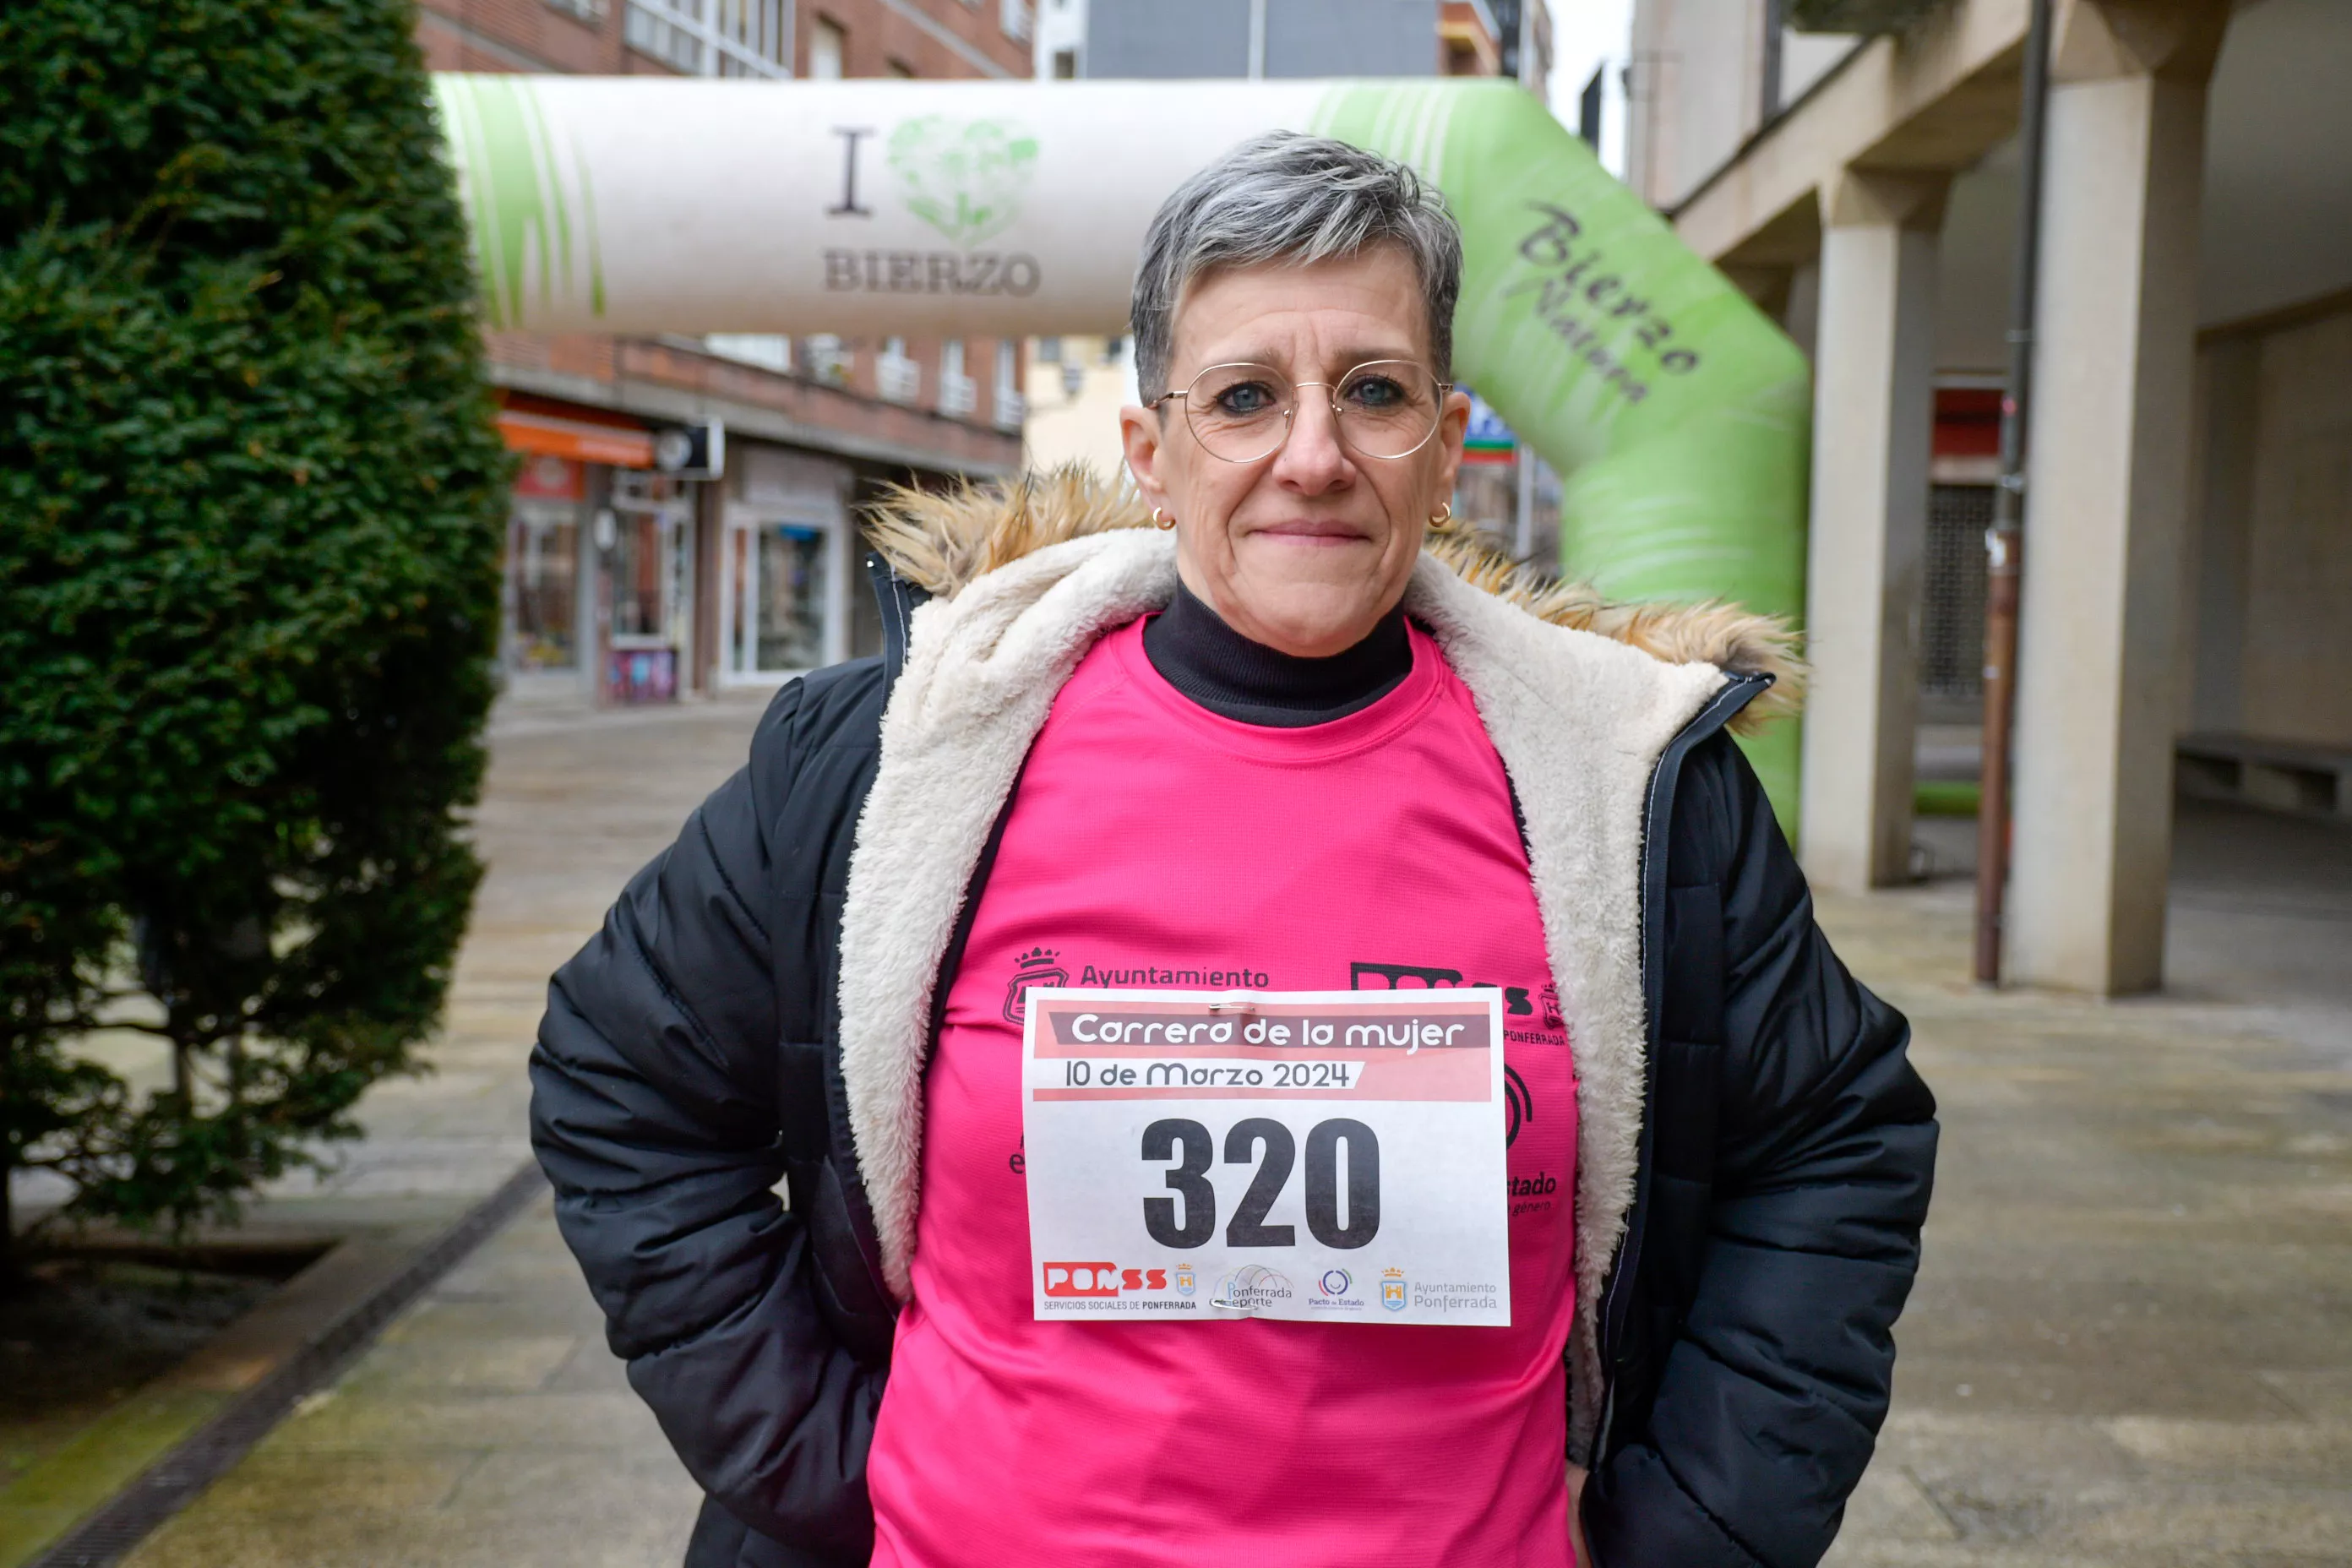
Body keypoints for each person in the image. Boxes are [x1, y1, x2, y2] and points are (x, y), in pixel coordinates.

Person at [531, 133, 1936, 1568]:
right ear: (1151, 452)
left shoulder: (1628, 785)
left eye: (1373, 392)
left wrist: (1696, 1532)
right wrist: (836, 1472)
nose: (1312, 456)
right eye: (1245, 397)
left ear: (1447, 444)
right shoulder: (902, 756)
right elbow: (618, 1079)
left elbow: (1834, 1139)